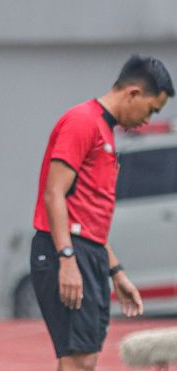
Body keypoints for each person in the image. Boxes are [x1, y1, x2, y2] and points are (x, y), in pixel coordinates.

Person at [31, 55, 174, 370]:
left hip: (89, 251)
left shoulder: (106, 133)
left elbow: (88, 216)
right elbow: (54, 193)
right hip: (67, 250)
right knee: (79, 360)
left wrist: (116, 271)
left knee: (84, 358)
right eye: (151, 109)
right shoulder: (82, 121)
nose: (148, 120)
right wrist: (66, 258)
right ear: (133, 93)